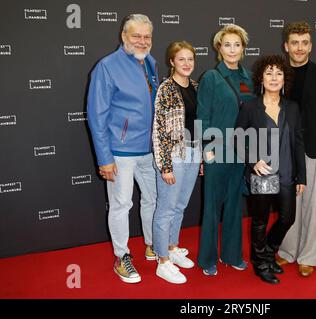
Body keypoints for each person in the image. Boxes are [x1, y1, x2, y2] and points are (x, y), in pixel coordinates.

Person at [87, 14, 159, 284]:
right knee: (120, 204)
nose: (142, 41)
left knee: (153, 200)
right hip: (120, 151)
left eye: (147, 36)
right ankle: (122, 256)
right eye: (136, 36)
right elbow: (97, 115)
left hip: (149, 150)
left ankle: (153, 244)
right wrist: (105, 158)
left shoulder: (150, 62)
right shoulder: (107, 66)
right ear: (124, 37)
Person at [276, 21, 316, 277]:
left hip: (315, 148)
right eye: (295, 43)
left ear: (310, 45)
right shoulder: (277, 74)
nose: (299, 48)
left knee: (315, 205)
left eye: (304, 43)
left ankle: (309, 256)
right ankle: (288, 251)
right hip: (285, 150)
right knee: (289, 203)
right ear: (286, 46)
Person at [234, 55, 306, 284]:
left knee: (287, 218)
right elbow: (236, 137)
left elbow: (298, 141)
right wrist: (252, 160)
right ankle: (261, 263)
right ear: (261, 79)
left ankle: (267, 252)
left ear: (285, 78)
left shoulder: (292, 108)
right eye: (269, 73)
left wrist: (301, 176)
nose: (274, 78)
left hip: (286, 172)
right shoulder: (251, 106)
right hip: (262, 174)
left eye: (279, 73)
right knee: (260, 221)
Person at [197, 24, 254, 276]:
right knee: (211, 207)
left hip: (241, 152)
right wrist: (206, 151)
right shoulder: (211, 77)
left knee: (234, 205)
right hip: (217, 152)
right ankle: (207, 259)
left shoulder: (249, 77)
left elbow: (254, 116)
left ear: (243, 48)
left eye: (237, 44)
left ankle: (231, 255)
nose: (232, 49)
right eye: (227, 44)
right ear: (219, 48)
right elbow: (203, 117)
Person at [152, 41, 201, 284]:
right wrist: (165, 165)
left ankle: (172, 247)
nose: (186, 64)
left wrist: (201, 154)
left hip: (193, 153)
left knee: (180, 206)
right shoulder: (166, 88)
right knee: (166, 209)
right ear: (172, 62)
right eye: (181, 59)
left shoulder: (195, 86)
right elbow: (159, 129)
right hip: (173, 155)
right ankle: (162, 261)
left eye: (190, 59)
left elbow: (199, 124)